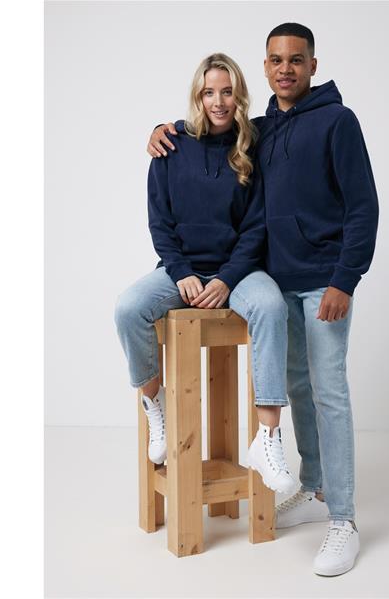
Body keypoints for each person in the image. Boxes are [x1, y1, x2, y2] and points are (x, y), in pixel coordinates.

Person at [147, 24, 379, 577]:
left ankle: (344, 520)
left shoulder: (338, 122)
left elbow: (363, 206)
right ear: (266, 67)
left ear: (313, 65)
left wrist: (345, 280)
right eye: (276, 60)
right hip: (276, 279)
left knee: (329, 392)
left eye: (296, 60)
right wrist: (163, 130)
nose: (285, 69)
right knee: (297, 386)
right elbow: (210, 130)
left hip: (323, 282)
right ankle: (315, 487)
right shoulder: (260, 129)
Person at [114, 53, 297, 496]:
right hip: (182, 271)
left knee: (272, 306)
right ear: (197, 96)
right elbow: (160, 222)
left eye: (227, 92)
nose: (218, 101)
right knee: (129, 308)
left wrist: (227, 279)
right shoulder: (170, 146)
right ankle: (153, 401)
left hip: (238, 271)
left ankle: (267, 438)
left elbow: (256, 226)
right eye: (209, 92)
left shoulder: (252, 146)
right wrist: (181, 272)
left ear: (239, 96)